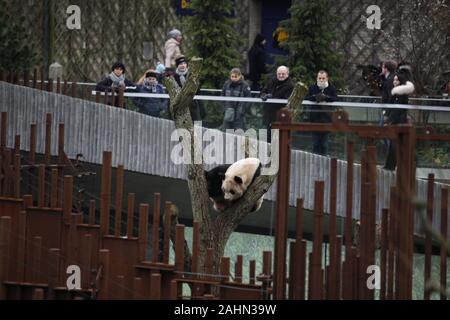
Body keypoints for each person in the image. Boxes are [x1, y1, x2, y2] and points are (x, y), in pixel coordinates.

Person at [383, 69, 415, 170]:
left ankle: (392, 165)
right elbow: (390, 106)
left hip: (399, 121)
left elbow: (397, 109)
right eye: (394, 80)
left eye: (396, 80)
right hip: (395, 121)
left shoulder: (401, 93)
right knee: (393, 144)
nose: (394, 82)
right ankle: (390, 165)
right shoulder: (395, 92)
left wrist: (389, 120)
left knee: (395, 144)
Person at [304, 70, 338, 156]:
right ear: (317, 78)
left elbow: (335, 99)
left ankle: (325, 161)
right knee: (315, 143)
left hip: (327, 119)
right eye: (319, 78)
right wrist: (315, 97)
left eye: (323, 78)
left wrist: (326, 97)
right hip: (314, 119)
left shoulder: (331, 88)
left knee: (324, 144)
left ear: (327, 78)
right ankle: (315, 161)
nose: (321, 80)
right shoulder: (312, 87)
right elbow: (307, 97)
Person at [260, 66, 294, 142]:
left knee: (278, 140)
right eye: (279, 74)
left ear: (287, 74)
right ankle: (268, 153)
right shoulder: (272, 82)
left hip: (280, 117)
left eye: (283, 74)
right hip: (269, 115)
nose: (281, 76)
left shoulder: (290, 86)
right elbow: (263, 91)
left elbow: (286, 100)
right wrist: (264, 95)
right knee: (268, 139)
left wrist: (273, 98)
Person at [173, 56, 205, 121]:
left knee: (197, 123)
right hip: (180, 106)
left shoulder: (192, 75)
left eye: (184, 63)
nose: (183, 65)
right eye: (180, 64)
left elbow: (197, 90)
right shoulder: (173, 77)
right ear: (177, 66)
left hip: (193, 104)